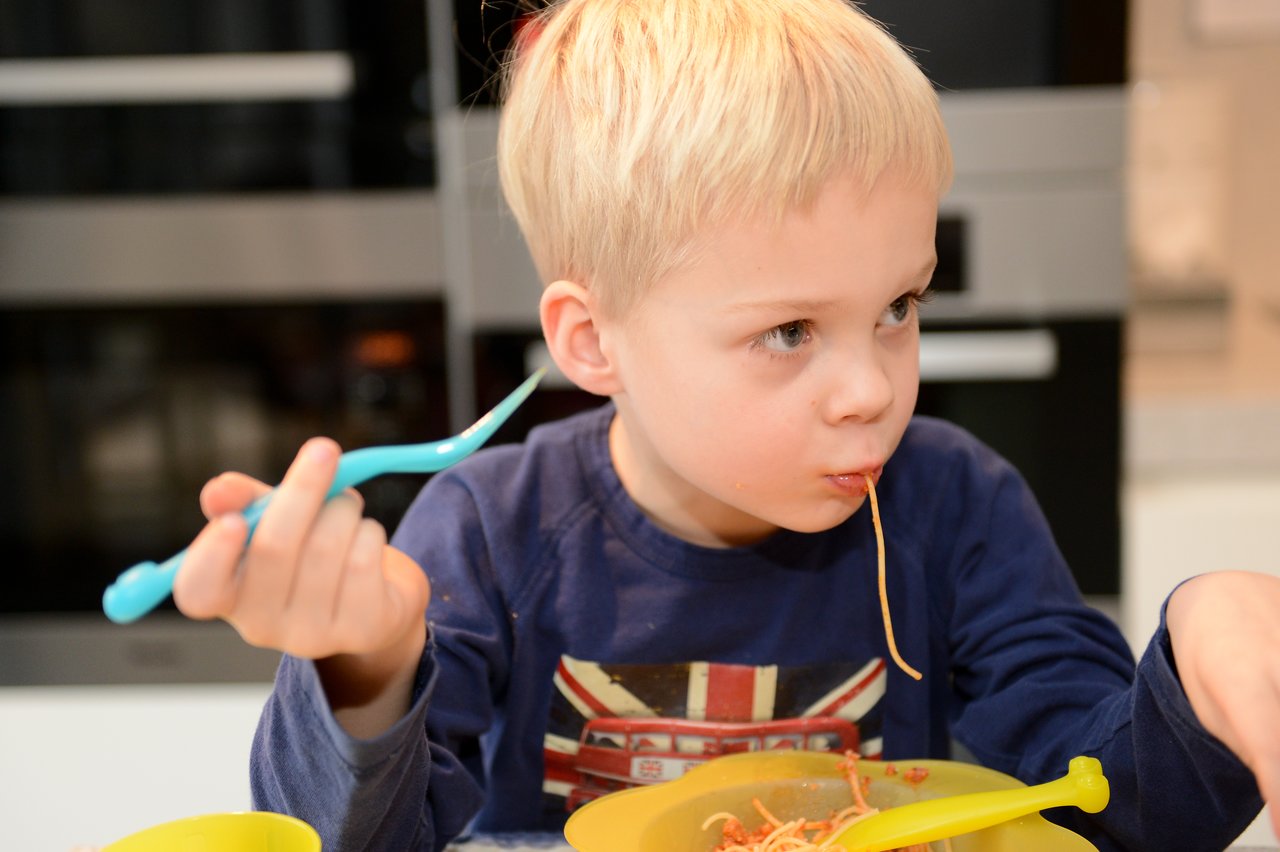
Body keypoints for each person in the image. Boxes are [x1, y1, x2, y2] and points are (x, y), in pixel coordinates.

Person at [171, 1, 1280, 850]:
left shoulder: (957, 509)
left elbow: (1102, 815)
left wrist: (1200, 660)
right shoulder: (489, 532)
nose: (871, 391)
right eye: (790, 331)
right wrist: (363, 672)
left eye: (897, 307)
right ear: (593, 340)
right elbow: (342, 840)